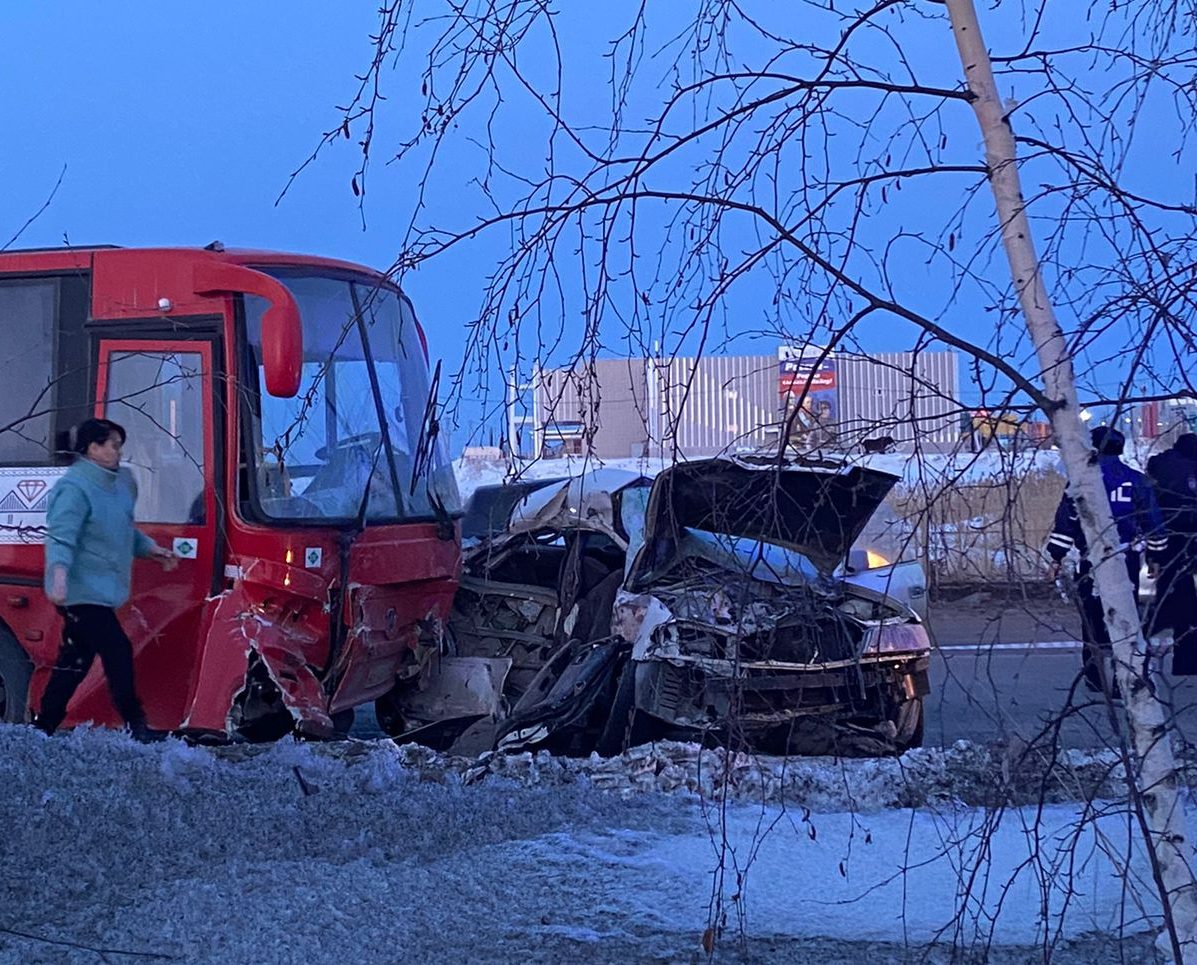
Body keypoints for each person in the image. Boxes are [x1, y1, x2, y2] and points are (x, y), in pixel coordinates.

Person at [35, 418, 177, 740]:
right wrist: (58, 576)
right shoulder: (74, 488)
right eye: (112, 444)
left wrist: (154, 550)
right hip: (80, 591)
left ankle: (43, 726)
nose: (118, 451)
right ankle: (135, 726)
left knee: (75, 661)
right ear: (92, 448)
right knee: (117, 650)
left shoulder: (117, 487)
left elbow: (122, 532)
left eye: (118, 445)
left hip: (100, 590)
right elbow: (61, 537)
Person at [1046, 426, 1166, 695]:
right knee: (1130, 619)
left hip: (1092, 563)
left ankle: (1095, 676)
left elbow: (1066, 523)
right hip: (1131, 562)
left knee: (1093, 621)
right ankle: (1127, 678)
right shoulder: (1137, 481)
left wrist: (1056, 557)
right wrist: (1156, 557)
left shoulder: (1081, 482)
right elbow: (1154, 525)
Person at [1146, 433, 1197, 675]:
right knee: (1184, 603)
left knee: (1171, 595)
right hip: (1189, 538)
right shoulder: (1190, 468)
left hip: (1163, 539)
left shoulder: (1160, 466)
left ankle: (1143, 638)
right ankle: (1185, 662)